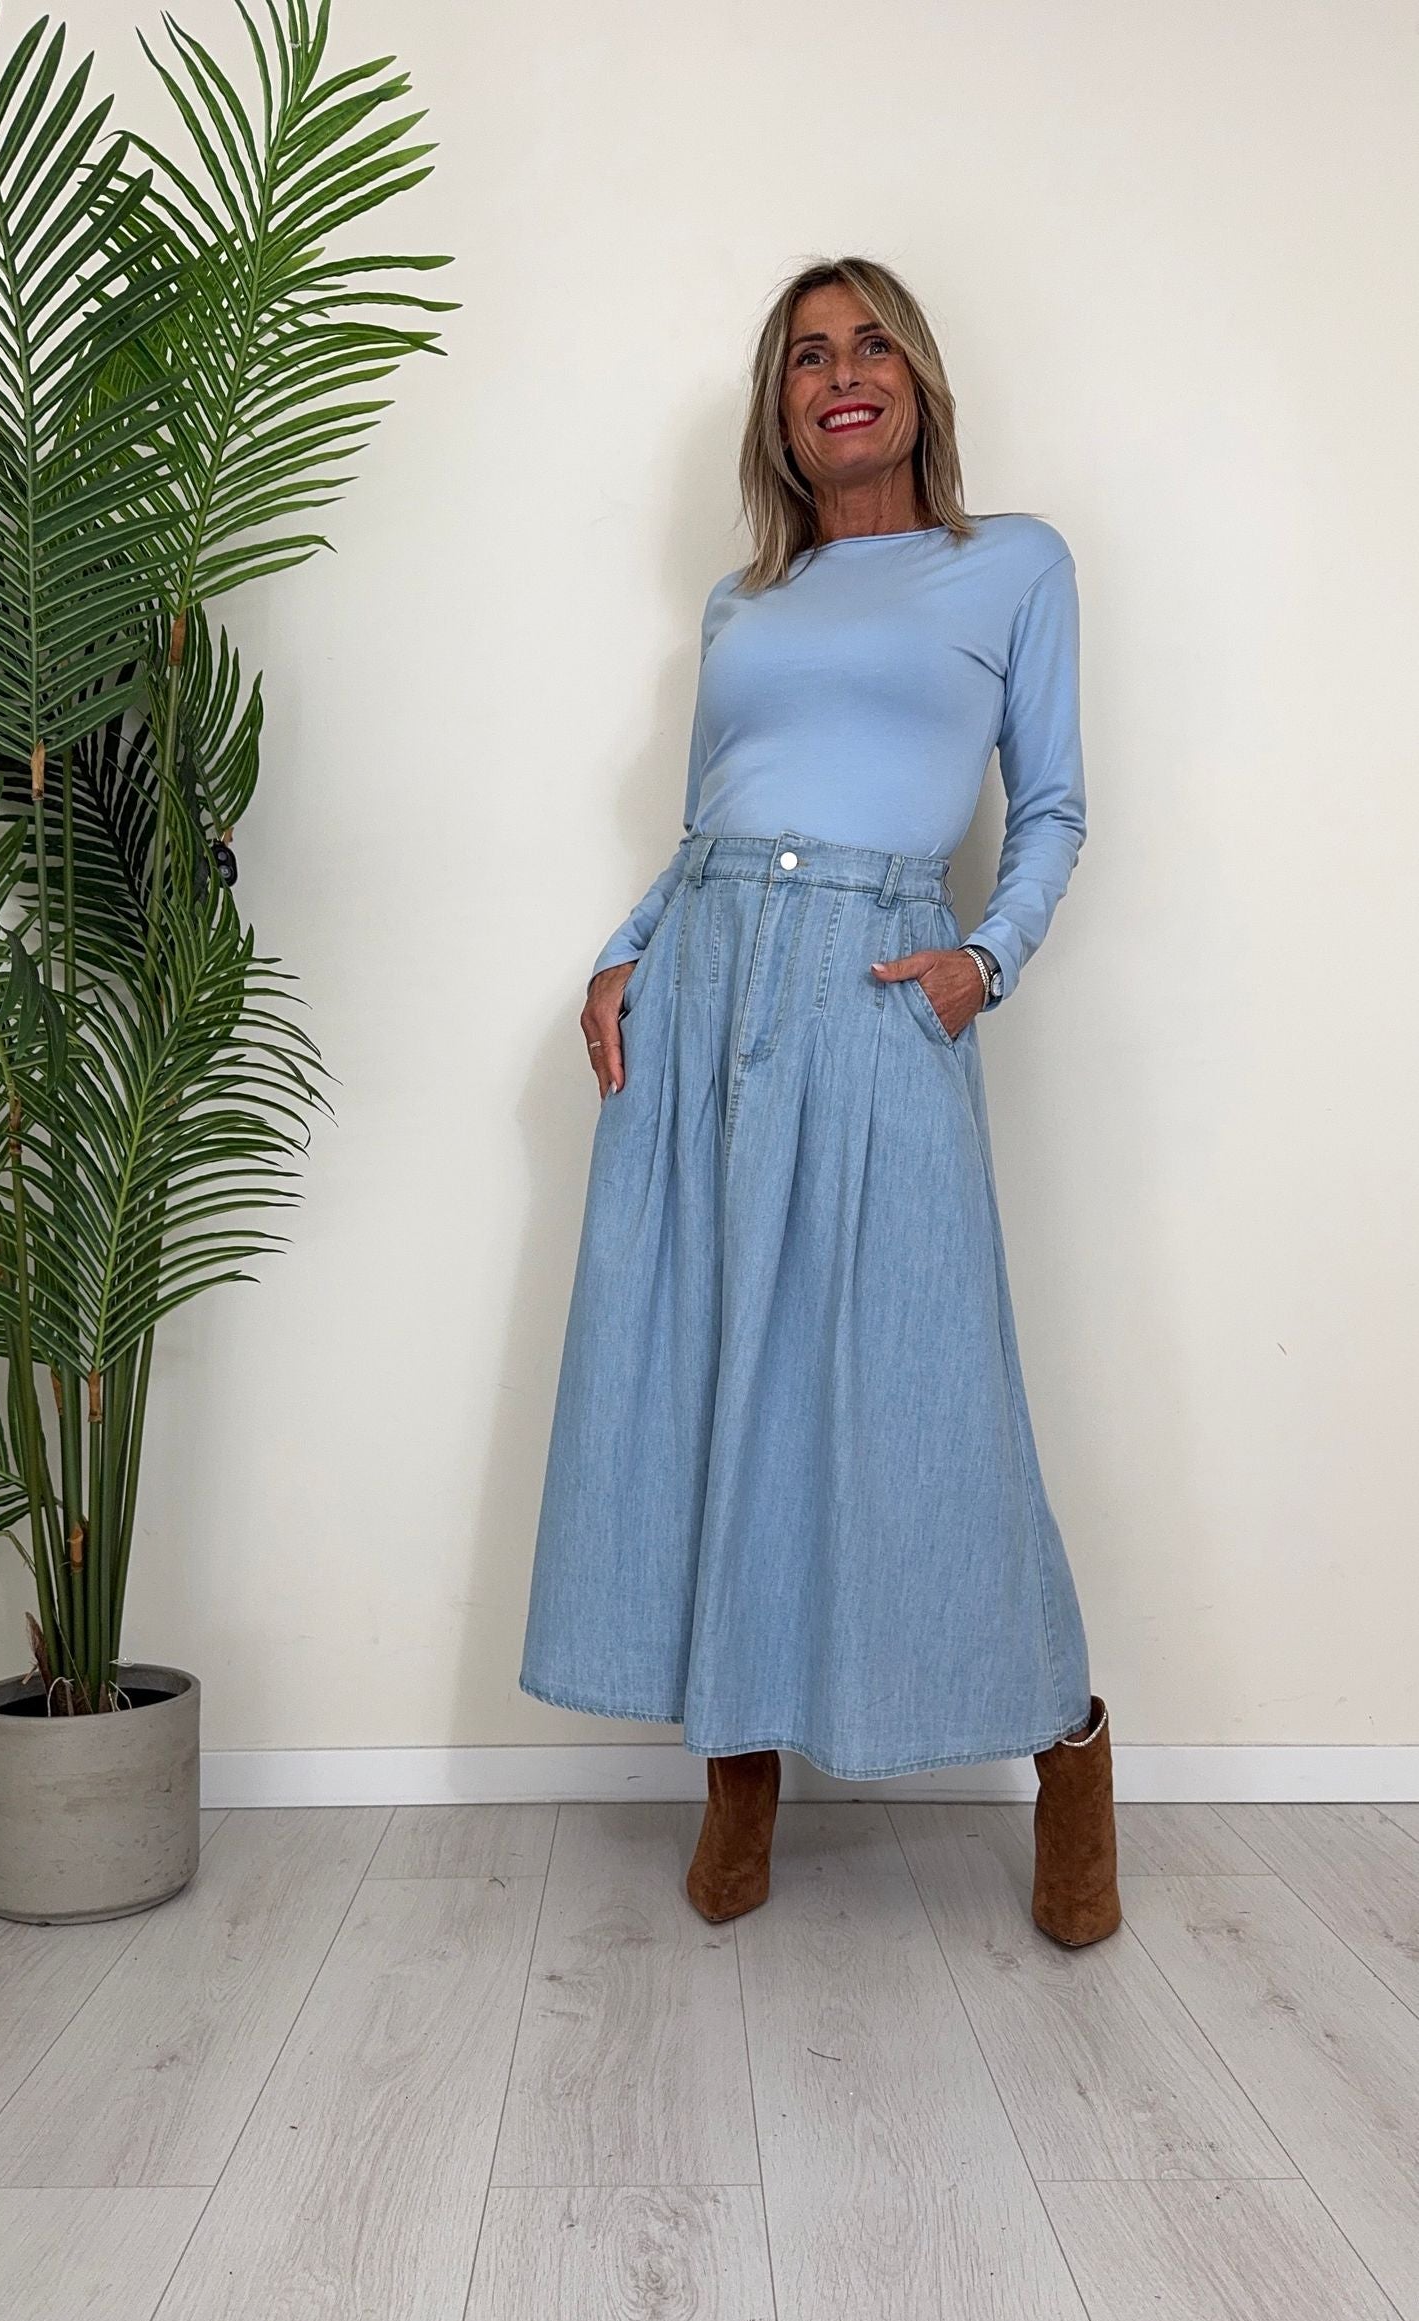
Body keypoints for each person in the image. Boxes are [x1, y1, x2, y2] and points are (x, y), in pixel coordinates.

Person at [519, 254, 1120, 1949]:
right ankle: (740, 1770)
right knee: (713, 1373)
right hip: (706, 986)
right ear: (778, 412)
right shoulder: (744, 604)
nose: (841, 374)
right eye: (806, 357)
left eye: (869, 347)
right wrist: (625, 955)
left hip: (877, 986)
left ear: (918, 380)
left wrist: (985, 960)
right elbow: (709, 822)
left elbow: (1054, 808)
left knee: (931, 1393)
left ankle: (1070, 1753)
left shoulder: (1014, 564)